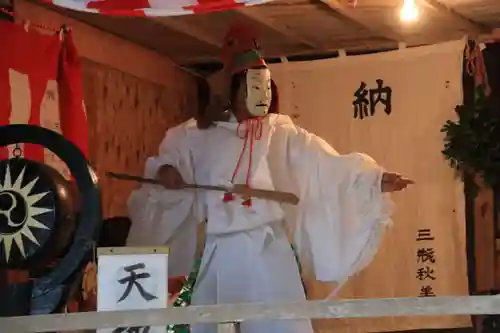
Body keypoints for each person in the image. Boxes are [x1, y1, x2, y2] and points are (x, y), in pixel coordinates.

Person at [127, 22, 413, 333]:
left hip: (268, 249)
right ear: (233, 90)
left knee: (277, 323)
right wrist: (167, 174)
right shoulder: (194, 135)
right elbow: (166, 166)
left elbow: (324, 166)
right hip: (218, 249)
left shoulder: (280, 132)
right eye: (252, 86)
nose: (260, 93)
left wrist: (372, 180)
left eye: (264, 86)